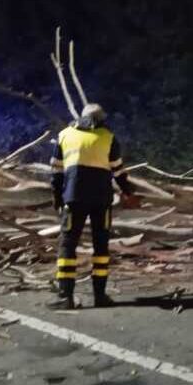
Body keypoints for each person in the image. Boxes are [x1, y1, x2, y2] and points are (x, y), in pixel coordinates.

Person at [50, 103, 139, 309]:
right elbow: (118, 172)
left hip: (74, 198)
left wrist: (56, 196)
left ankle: (66, 296)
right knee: (101, 246)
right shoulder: (109, 137)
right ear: (100, 119)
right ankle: (100, 296)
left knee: (68, 244)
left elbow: (56, 171)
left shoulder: (64, 135)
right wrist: (129, 193)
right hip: (101, 200)